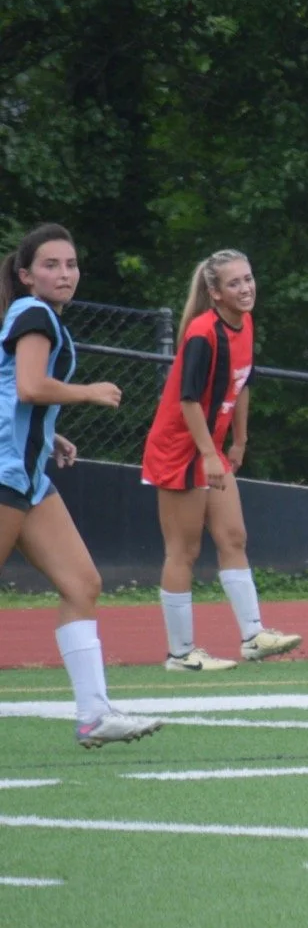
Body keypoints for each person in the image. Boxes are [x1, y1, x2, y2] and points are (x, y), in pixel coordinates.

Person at [0, 225, 161, 746]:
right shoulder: (34, 313)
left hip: (27, 475)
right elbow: (30, 386)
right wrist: (88, 392)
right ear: (26, 275)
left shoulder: (37, 315)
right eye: (51, 265)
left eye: (70, 264)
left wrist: (49, 435)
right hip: (5, 472)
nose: (64, 273)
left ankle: (94, 715)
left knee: (81, 584)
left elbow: (12, 391)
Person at [141, 249, 302, 671]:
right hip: (180, 451)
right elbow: (188, 400)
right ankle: (180, 654)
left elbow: (242, 383)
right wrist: (210, 454)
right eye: (234, 283)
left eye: (248, 278)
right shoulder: (202, 333)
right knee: (184, 551)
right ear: (215, 293)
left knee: (233, 537)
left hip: (210, 449)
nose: (246, 288)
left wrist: (240, 440)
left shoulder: (245, 323)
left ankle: (253, 636)